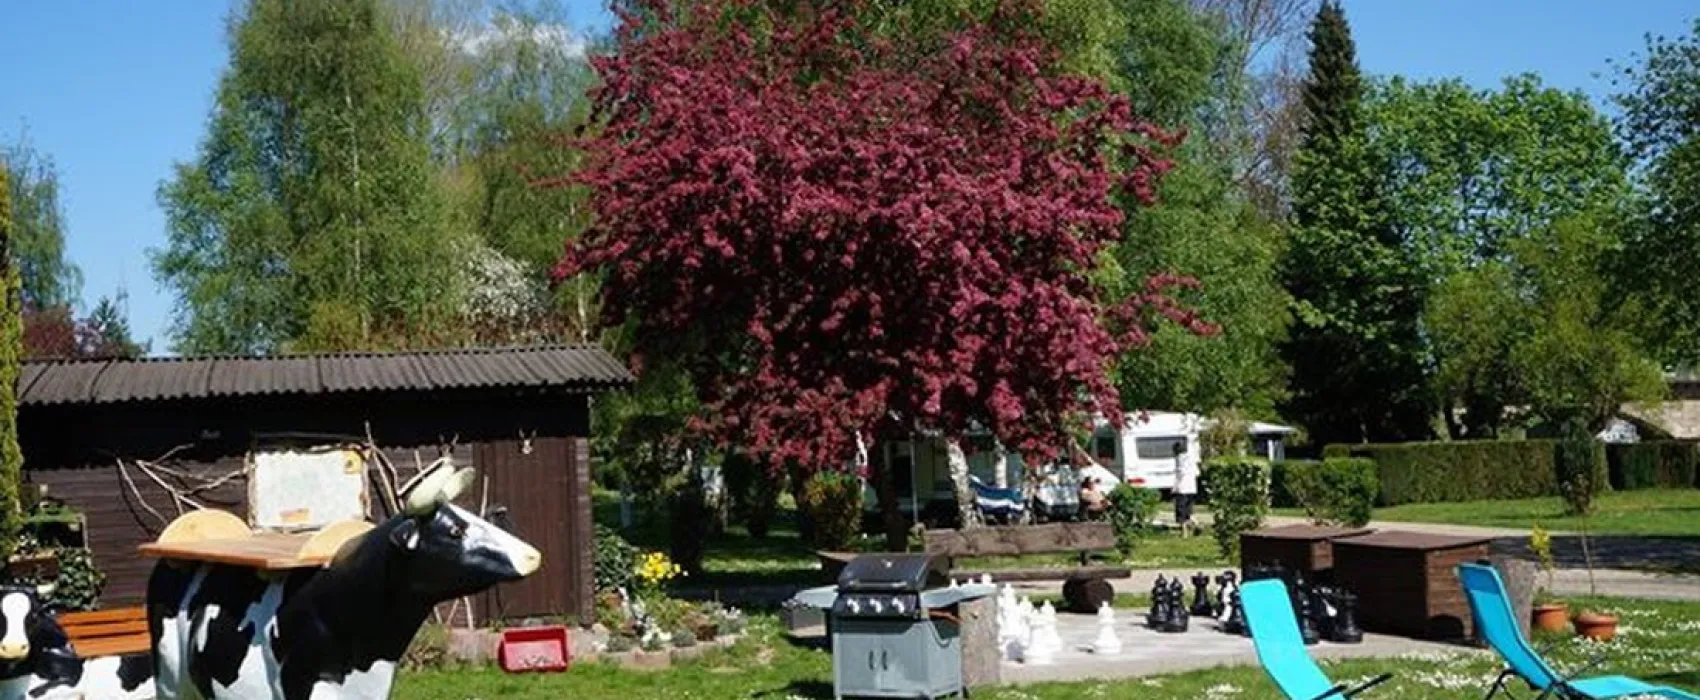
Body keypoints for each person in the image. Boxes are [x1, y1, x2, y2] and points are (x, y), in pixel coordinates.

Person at [1173, 441, 1197, 534]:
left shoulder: (1179, 459)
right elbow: (1197, 472)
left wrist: (1175, 486)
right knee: (1189, 508)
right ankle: (1193, 522)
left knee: (1181, 508)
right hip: (1192, 487)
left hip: (1182, 487)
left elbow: (1180, 473)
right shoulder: (1191, 458)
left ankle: (1184, 531)